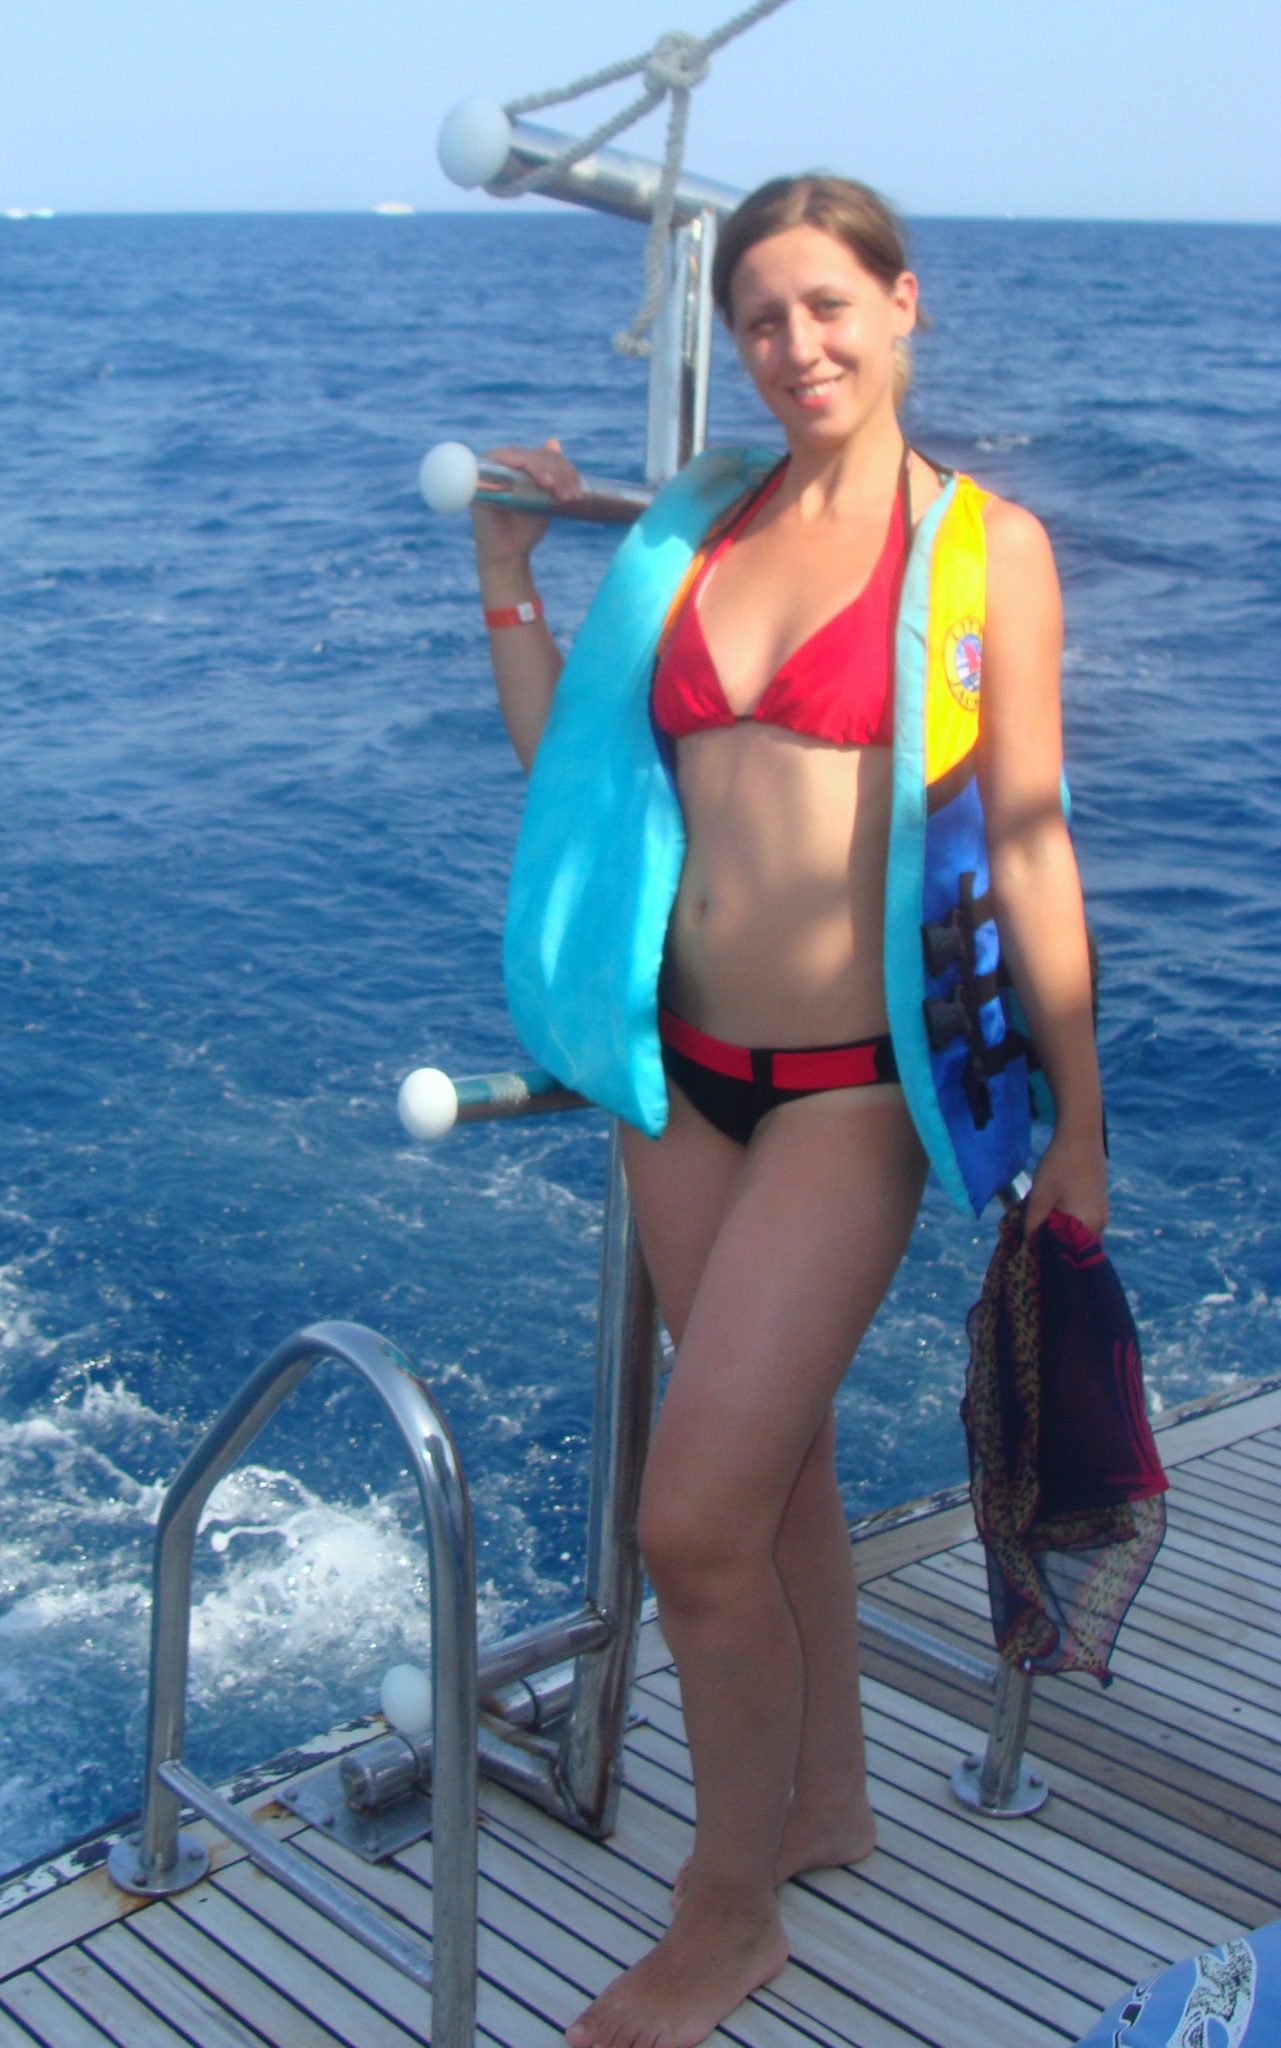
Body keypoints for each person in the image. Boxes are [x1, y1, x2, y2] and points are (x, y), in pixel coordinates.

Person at [469, 175, 1108, 2048]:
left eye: (828, 303)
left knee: (688, 1527)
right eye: (759, 316)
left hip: (849, 1092)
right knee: (776, 1477)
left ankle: (724, 1911)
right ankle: (822, 1805)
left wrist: (1077, 1122)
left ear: (904, 305)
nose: (794, 344)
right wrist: (506, 573)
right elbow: (577, 777)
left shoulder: (984, 549)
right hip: (681, 1079)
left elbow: (1025, 836)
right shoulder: (694, 524)